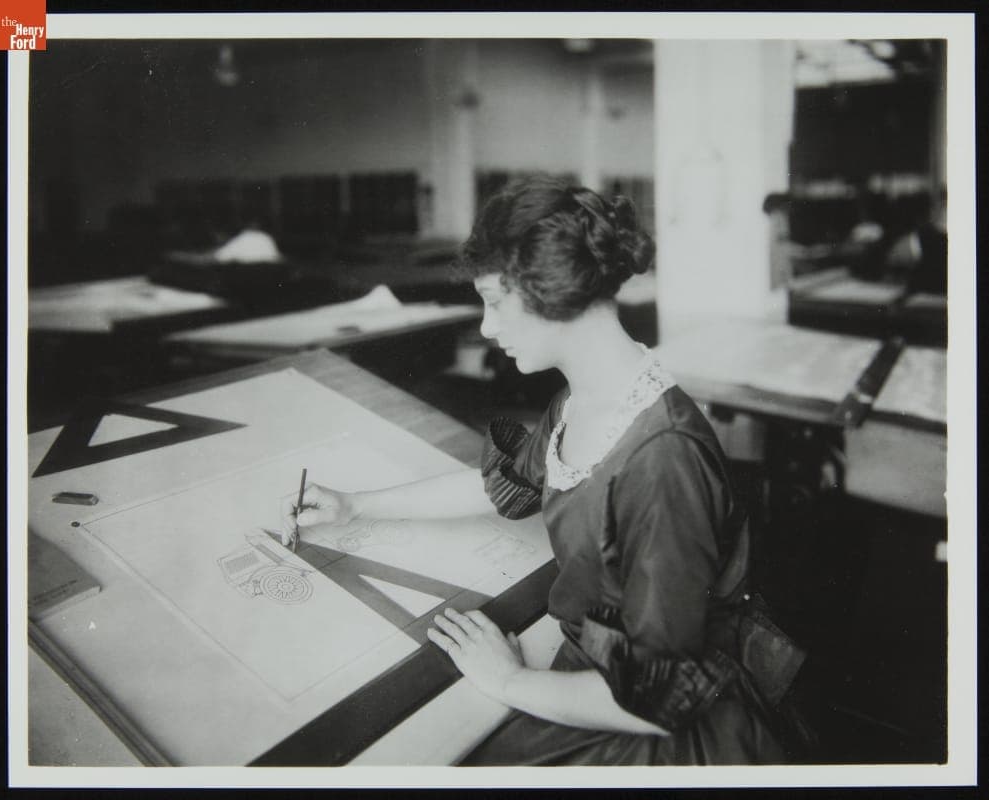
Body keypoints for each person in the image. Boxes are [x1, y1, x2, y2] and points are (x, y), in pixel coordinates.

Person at [290, 177, 809, 765]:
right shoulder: (585, 400)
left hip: (653, 714)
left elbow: (654, 701)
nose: (486, 328)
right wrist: (355, 505)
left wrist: (509, 680)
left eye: (494, 301)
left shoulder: (663, 459)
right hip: (602, 666)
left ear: (551, 292)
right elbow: (502, 487)